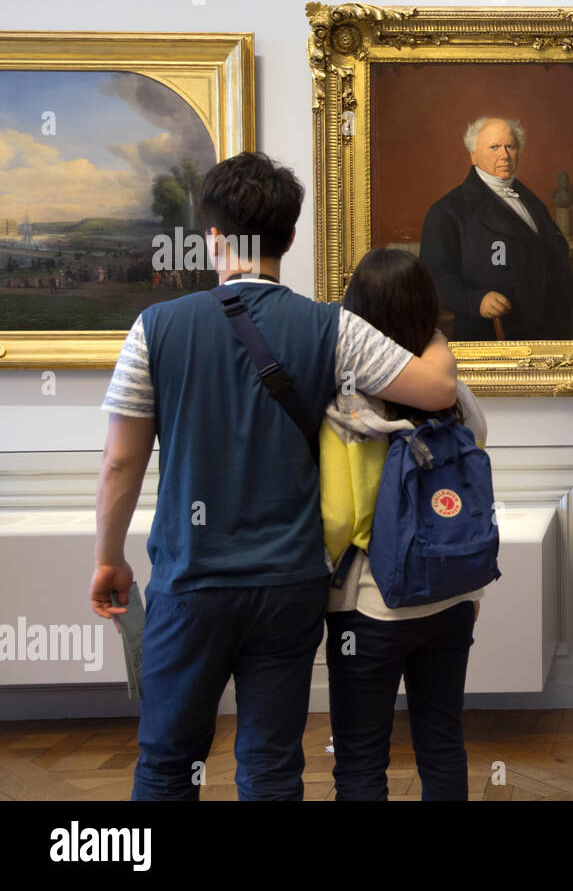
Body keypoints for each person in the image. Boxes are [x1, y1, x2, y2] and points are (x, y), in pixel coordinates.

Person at [91, 150, 459, 801]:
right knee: (270, 765)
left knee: (167, 763)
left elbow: (121, 460)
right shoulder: (332, 326)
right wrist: (431, 324)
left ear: (212, 237)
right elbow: (434, 390)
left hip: (190, 579)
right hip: (290, 583)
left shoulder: (155, 328)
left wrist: (107, 558)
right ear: (290, 238)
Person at [319, 247, 489, 801]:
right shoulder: (455, 398)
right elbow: (471, 475)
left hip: (371, 604)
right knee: (442, 742)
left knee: (362, 757)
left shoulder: (345, 405)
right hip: (450, 594)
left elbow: (341, 515)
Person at [419, 116, 573, 342]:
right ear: (473, 155)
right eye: (494, 147)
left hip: (550, 327)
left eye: (510, 146)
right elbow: (435, 278)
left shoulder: (528, 198)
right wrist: (476, 301)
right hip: (497, 331)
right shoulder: (446, 211)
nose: (504, 155)